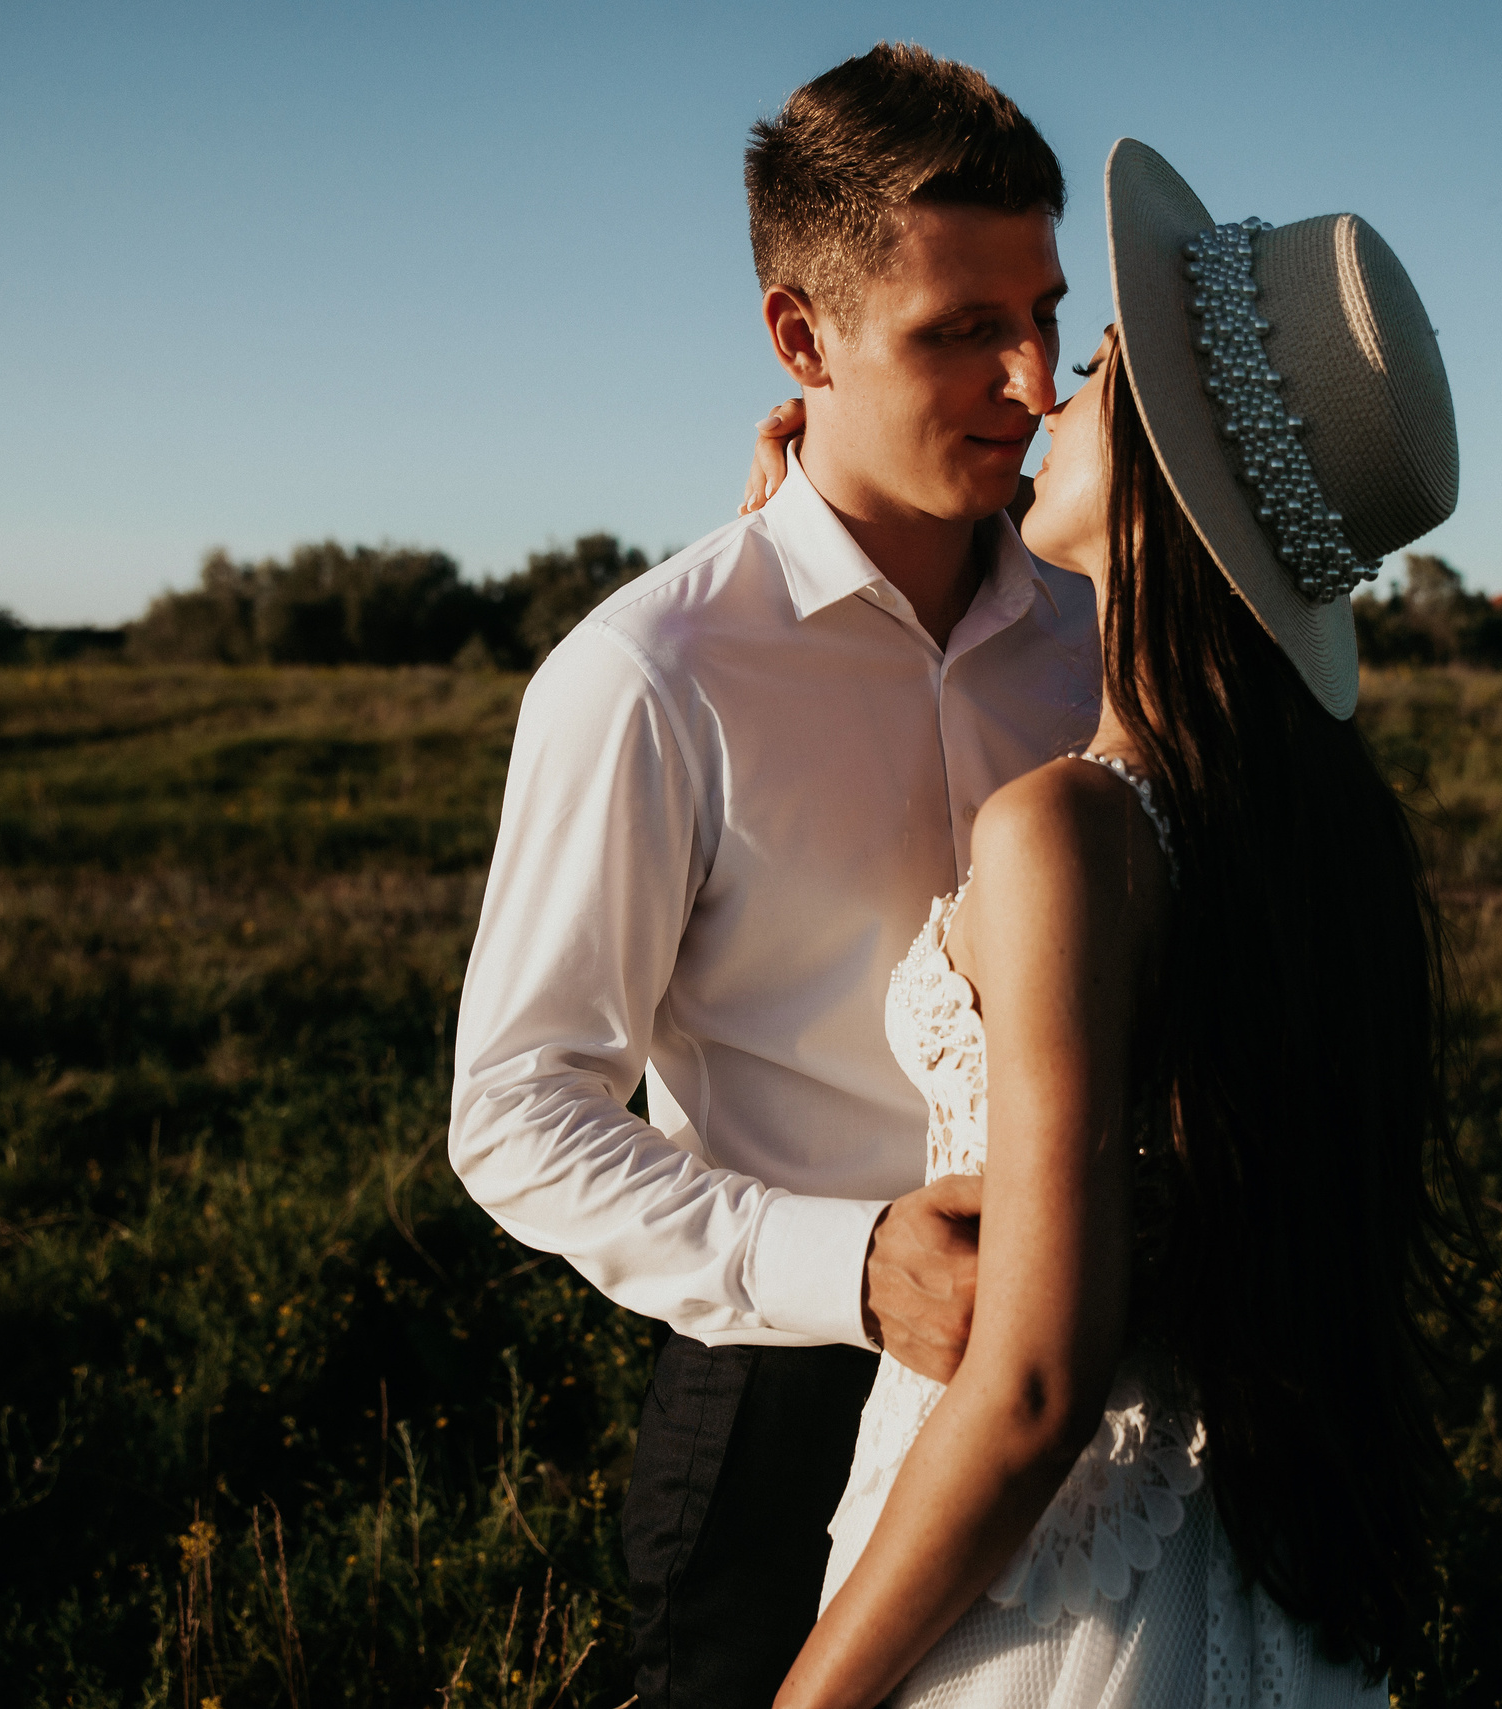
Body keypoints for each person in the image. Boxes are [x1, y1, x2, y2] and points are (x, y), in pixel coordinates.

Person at [745, 140, 1481, 1707]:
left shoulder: (1072, 829)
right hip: (1241, 1564)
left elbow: (1031, 1383)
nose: (1044, 398)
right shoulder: (1312, 824)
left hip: (1050, 1586)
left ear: (1165, 451)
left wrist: (807, 1699)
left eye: (1088, 373)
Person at [447, 46, 1097, 1709]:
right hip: (781, 1405)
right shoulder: (651, 674)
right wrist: (850, 1264)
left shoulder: (1099, 636)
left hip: (1108, 1372)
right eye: (961, 331)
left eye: (1046, 315)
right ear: (800, 340)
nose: (1028, 381)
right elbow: (516, 1108)